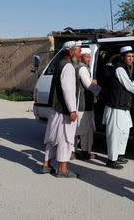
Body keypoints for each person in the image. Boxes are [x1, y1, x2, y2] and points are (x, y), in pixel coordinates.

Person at [41, 40, 82, 178]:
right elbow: (68, 90)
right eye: (79, 51)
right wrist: (72, 110)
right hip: (64, 111)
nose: (80, 54)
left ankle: (46, 164)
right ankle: (62, 169)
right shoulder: (68, 67)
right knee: (65, 138)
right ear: (71, 52)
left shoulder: (60, 64)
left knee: (53, 138)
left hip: (56, 109)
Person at [102, 46, 134, 169]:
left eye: (132, 57)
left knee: (124, 132)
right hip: (115, 107)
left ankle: (119, 155)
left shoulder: (127, 67)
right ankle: (111, 160)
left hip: (124, 107)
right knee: (114, 134)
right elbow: (128, 85)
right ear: (122, 57)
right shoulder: (119, 68)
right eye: (128, 56)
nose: (131, 59)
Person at [74, 47, 101, 160]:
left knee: (80, 129)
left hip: (83, 103)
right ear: (81, 57)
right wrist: (101, 90)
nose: (88, 59)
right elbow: (88, 85)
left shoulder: (79, 67)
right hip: (83, 104)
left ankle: (76, 151)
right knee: (85, 130)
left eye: (89, 56)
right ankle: (85, 152)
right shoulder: (82, 68)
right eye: (86, 56)